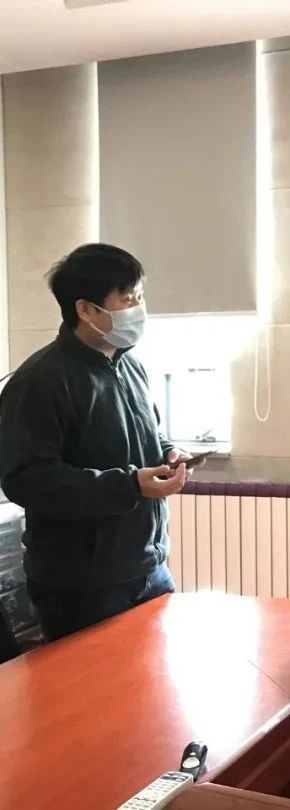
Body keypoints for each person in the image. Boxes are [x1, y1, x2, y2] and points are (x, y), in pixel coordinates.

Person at [0, 243, 196, 640]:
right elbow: (27, 479)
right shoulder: (41, 381)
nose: (139, 308)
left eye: (140, 296)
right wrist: (129, 485)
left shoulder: (130, 365)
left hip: (149, 568)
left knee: (156, 678)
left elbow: (146, 433)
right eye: (127, 300)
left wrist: (168, 452)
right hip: (82, 586)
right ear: (86, 310)